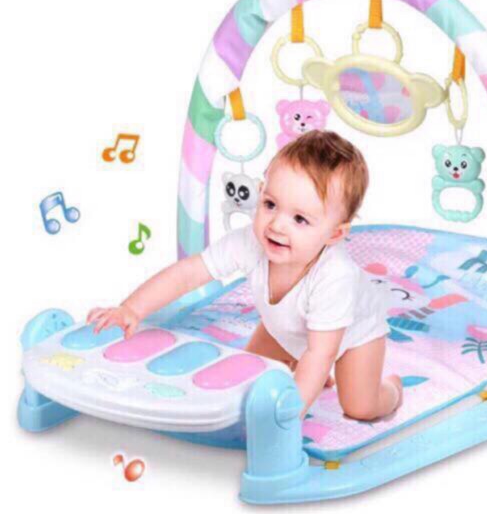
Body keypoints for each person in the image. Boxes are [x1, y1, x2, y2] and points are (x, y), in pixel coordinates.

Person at [89, 130, 402, 420]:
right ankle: (309, 375)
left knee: (360, 407)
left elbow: (321, 353)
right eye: (270, 204)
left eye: (299, 219)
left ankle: (392, 390)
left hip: (350, 336)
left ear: (335, 234)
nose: (276, 225)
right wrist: (132, 309)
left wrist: (287, 416)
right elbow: (188, 274)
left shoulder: (335, 277)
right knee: (245, 378)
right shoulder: (250, 242)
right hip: (286, 327)